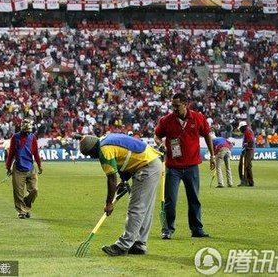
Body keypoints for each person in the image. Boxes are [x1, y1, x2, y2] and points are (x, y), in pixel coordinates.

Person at [79, 133, 162, 256]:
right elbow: (126, 158)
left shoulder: (104, 150)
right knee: (145, 208)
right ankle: (139, 244)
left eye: (90, 154)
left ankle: (122, 246)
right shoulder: (105, 139)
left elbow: (111, 178)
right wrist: (123, 181)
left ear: (92, 149)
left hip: (146, 167)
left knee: (136, 208)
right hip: (151, 163)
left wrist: (108, 203)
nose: (92, 157)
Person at [154, 92, 215, 239]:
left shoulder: (198, 117)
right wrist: (160, 144)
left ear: (185, 104)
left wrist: (212, 155)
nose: (174, 108)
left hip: (192, 166)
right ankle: (167, 229)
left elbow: (207, 134)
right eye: (172, 105)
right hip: (173, 167)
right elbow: (157, 135)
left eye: (177, 105)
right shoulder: (166, 120)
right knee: (170, 199)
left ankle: (196, 229)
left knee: (194, 199)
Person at [5, 118, 43, 219]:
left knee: (34, 190)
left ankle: (25, 206)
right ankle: (21, 211)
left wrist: (39, 165)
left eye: (28, 131)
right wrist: (8, 167)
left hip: (31, 168)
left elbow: (36, 153)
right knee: (18, 193)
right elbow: (11, 153)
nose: (27, 132)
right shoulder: (15, 137)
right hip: (18, 169)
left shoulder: (33, 138)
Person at [238, 121, 255, 187]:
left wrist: (245, 148)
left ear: (243, 127)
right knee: (248, 167)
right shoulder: (248, 130)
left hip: (248, 150)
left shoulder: (247, 131)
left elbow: (250, 141)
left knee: (242, 165)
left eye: (240, 128)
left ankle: (243, 181)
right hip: (250, 150)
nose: (240, 130)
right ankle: (250, 182)